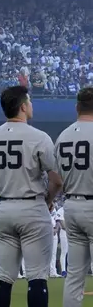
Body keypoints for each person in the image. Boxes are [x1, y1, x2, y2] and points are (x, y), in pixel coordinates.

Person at [0, 85, 62, 307]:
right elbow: (57, 180)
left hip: (5, 207)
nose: (31, 105)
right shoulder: (39, 136)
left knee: (3, 276)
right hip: (31, 206)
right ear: (22, 106)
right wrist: (48, 201)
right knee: (37, 275)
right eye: (29, 101)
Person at [57, 87, 93, 307]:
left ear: (77, 106)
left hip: (71, 204)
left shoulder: (63, 135)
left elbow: (56, 177)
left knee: (74, 275)